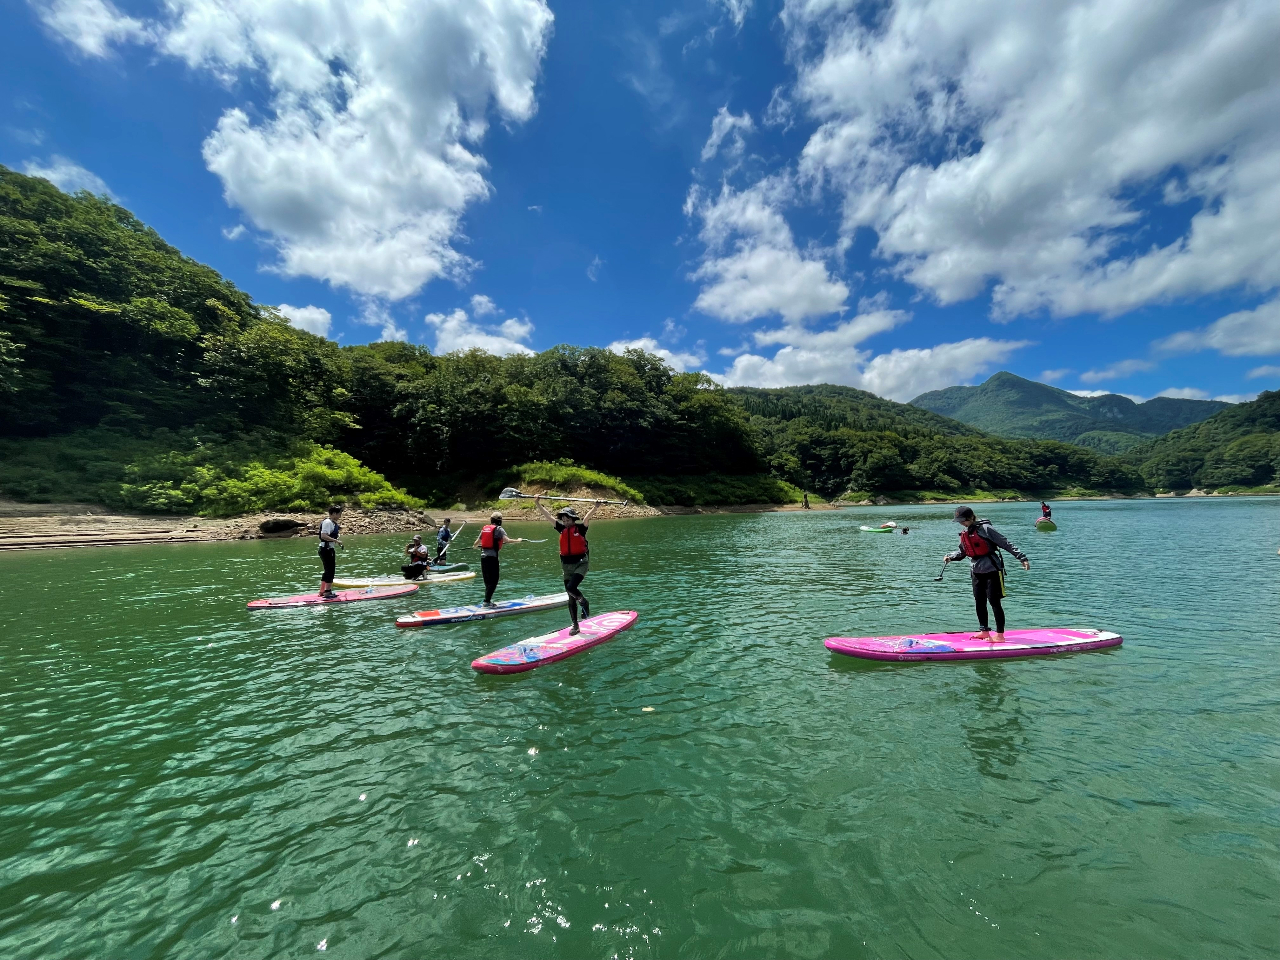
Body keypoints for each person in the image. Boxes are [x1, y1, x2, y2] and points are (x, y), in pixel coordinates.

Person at [943, 506, 1030, 642]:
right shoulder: (966, 532)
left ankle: (1000, 635)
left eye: (963, 520)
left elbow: (1005, 543)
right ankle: (984, 631)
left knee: (994, 602)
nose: (961, 523)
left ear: (971, 517)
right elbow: (963, 552)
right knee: (979, 601)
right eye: (959, 521)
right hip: (976, 571)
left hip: (992, 570)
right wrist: (951, 557)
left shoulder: (985, 529)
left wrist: (1022, 558)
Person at [534, 497, 605, 635]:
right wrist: (537, 503)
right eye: (564, 520)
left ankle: (584, 602)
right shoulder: (561, 529)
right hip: (566, 566)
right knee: (570, 596)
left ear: (573, 519)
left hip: (580, 564)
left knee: (571, 587)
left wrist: (596, 506)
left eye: (568, 520)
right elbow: (547, 516)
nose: (565, 523)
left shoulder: (580, 528)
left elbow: (587, 517)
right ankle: (575, 625)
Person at [472, 513, 527, 607]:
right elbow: (506, 540)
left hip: (483, 558)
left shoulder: (485, 529)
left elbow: (475, 544)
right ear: (499, 521)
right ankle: (486, 602)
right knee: (494, 580)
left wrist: (477, 547)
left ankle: (487, 601)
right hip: (492, 558)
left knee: (488, 581)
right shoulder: (499, 529)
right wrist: (518, 540)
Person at [317, 505, 343, 598]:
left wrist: (336, 539)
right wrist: (336, 541)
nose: (340, 516)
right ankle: (327, 592)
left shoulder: (332, 523)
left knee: (327, 570)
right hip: (326, 549)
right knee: (330, 570)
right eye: (339, 514)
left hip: (327, 549)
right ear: (334, 513)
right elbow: (323, 535)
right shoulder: (328, 522)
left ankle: (322, 591)